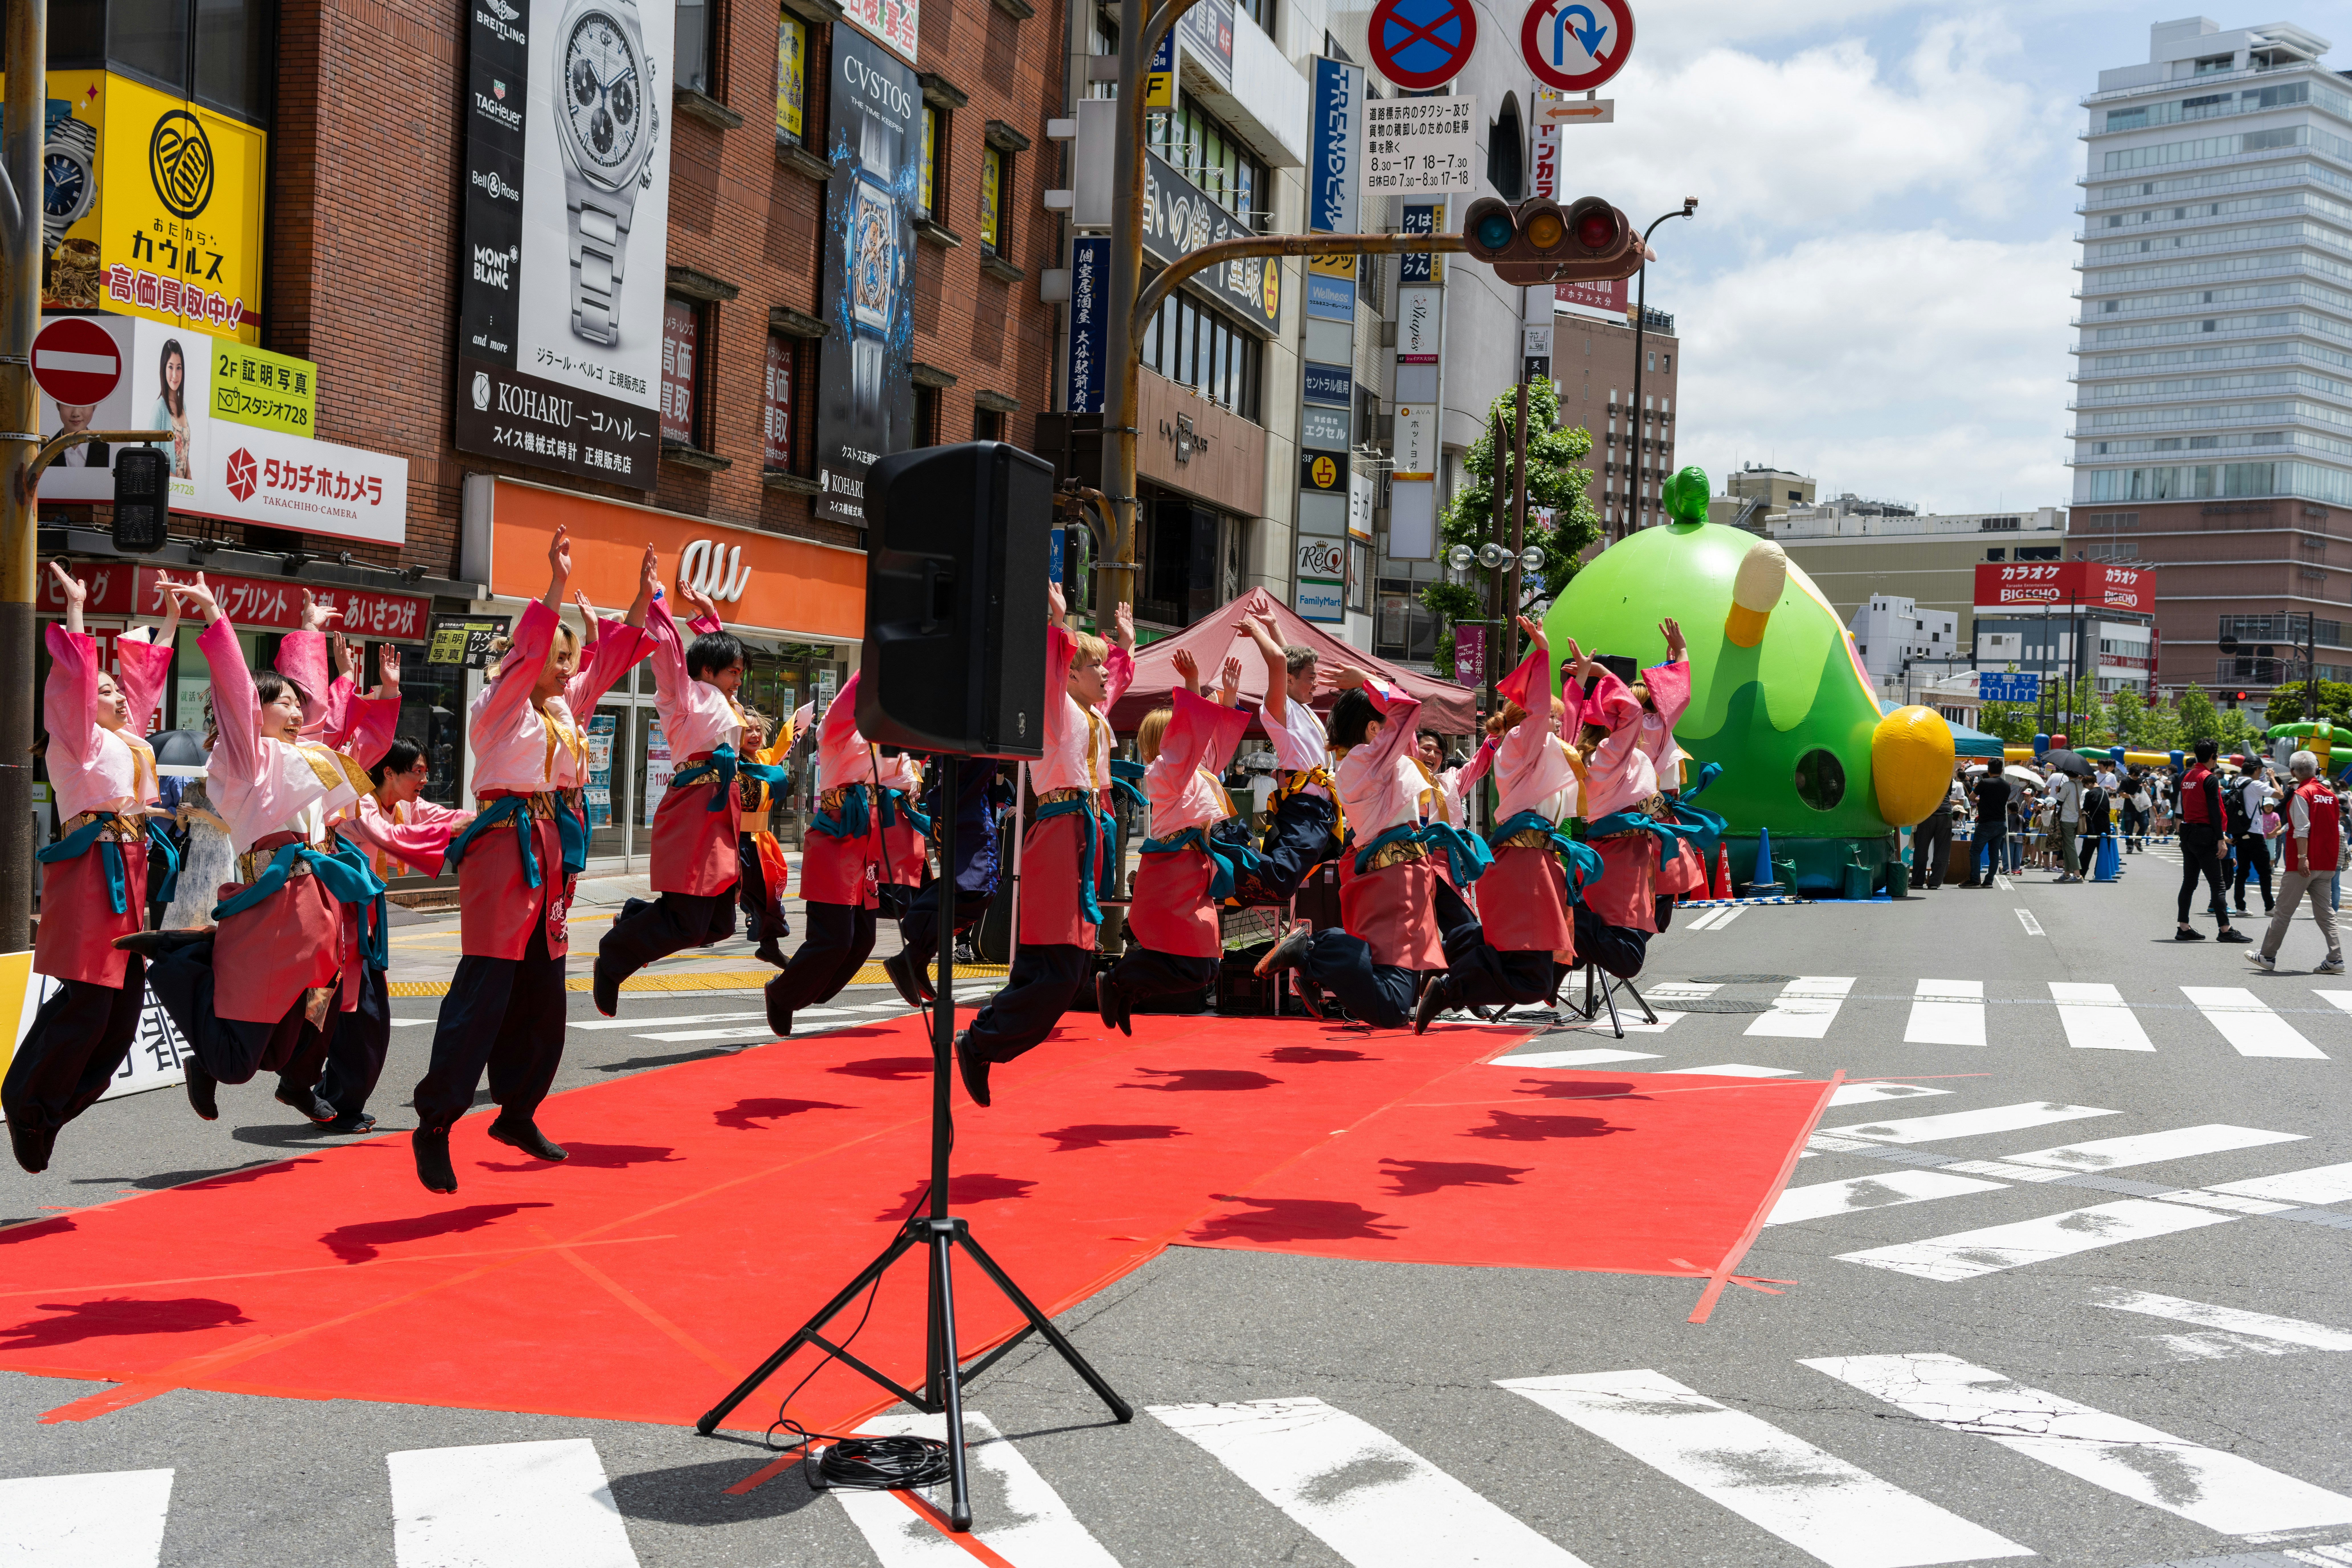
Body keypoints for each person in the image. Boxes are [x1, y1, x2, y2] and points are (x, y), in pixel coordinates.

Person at [411, 534, 656, 1193]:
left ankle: (517, 1112)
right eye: (559, 654)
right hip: (503, 846)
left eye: (570, 656)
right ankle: (436, 1123)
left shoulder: (562, 708)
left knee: (545, 995)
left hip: (550, 850)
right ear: (529, 658)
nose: (570, 666)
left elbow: (610, 662)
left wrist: (640, 599)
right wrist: (555, 585)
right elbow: (527, 654)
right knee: (485, 989)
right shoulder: (498, 707)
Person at [125, 573, 394, 1128]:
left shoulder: (304, 755)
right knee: (238, 1062)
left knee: (303, 1028)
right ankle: (182, 962)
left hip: (316, 899)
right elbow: (238, 695)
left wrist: (316, 639)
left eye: (298, 704)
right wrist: (215, 616)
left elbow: (324, 717)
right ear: (257, 712)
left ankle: (294, 1082)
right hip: (272, 901)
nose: (298, 713)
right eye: (285, 704)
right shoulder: (248, 759)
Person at [4, 565, 177, 1173]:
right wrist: (76, 610)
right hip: (92, 870)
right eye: (106, 690)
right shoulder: (76, 741)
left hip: (130, 873)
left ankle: (44, 1113)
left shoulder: (127, 743)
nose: (119, 696)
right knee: (89, 1006)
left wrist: (172, 619)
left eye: (116, 689)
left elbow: (145, 685)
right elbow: (76, 685)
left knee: (120, 1020)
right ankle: (27, 1102)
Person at [954, 586, 1134, 1106]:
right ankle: (982, 1041)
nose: (1105, 674)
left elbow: (1111, 683)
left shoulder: (1090, 713)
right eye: (1094, 666)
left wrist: (1123, 646)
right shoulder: (1054, 709)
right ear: (1070, 675)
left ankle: (983, 1040)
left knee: (1063, 969)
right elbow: (1051, 669)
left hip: (1080, 834)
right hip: (1061, 834)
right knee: (1060, 970)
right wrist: (1057, 622)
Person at [1255, 663, 1484, 1030]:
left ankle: (1315, 959)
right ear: (1373, 728)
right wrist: (1367, 681)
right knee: (1392, 1006)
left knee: (1394, 1001)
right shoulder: (1370, 760)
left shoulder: (1362, 764)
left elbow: (1406, 722)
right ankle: (1315, 949)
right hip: (1395, 880)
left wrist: (1375, 685)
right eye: (1382, 722)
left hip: (1393, 876)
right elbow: (1408, 710)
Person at [594, 569, 768, 1013]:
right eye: (733, 673)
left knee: (719, 924)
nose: (739, 681)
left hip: (721, 810)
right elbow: (671, 652)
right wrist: (656, 596)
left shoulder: (723, 699)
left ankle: (636, 917)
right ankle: (613, 957)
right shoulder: (683, 695)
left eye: (740, 673)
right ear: (709, 672)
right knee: (689, 923)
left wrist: (710, 620)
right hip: (694, 807)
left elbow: (714, 655)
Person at [1411, 617, 1598, 1028]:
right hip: (1523, 863)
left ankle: (1456, 960)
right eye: (1549, 718)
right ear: (1529, 718)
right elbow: (1542, 716)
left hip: (1535, 862)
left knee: (1539, 968)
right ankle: (1452, 985)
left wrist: (1579, 680)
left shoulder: (1544, 754)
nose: (1557, 725)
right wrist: (1542, 654)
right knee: (1533, 977)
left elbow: (1569, 728)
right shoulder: (1520, 743)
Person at [322, 733, 473, 1133]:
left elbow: (435, 815)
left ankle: (332, 1098)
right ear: (389, 772)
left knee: (360, 1015)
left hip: (364, 921)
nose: (425, 780)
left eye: (426, 771)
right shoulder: (360, 806)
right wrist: (452, 829)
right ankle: (326, 1098)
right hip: (338, 918)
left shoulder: (402, 806)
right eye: (418, 772)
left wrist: (480, 818)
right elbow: (388, 838)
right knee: (357, 1015)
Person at [1095, 650, 1253, 1033]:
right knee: (1197, 967)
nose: (1196, 740)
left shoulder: (1194, 772)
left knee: (1206, 968)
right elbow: (1191, 739)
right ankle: (1119, 981)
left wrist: (1230, 697)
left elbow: (1217, 745)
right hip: (1173, 876)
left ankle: (1126, 987)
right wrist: (1192, 685)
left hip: (1188, 874)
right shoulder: (1164, 772)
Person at [763, 673, 898, 1033]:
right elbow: (845, 702)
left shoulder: (885, 736)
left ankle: (807, 991)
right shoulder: (838, 730)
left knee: (864, 939)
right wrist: (876, 663)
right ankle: (783, 993)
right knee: (834, 939)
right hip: (836, 838)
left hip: (866, 843)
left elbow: (905, 772)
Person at [1236, 612, 1339, 899]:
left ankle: (1244, 852)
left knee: (1302, 871)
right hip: (1303, 806)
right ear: (1290, 681)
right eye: (1312, 678)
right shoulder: (1279, 709)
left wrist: (1273, 625)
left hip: (1322, 808)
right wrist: (1256, 630)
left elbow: (1288, 659)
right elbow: (1280, 662)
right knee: (1283, 878)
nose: (1316, 683)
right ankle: (1234, 847)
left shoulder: (1300, 707)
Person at [2249, 750, 2343, 973]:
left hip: (2303, 863)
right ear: (2316, 770)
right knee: (2326, 913)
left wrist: (2302, 858)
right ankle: (2336, 959)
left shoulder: (2302, 794)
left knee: (2283, 911)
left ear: (2292, 772)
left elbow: (2302, 829)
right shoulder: (2330, 796)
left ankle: (2267, 955)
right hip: (2327, 863)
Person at [733, 707, 794, 969]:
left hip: (760, 842)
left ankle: (770, 948)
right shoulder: (729, 762)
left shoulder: (764, 759)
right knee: (709, 905)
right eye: (748, 730)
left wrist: (800, 721)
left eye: (758, 729)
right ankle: (637, 917)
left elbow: (786, 742)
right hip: (735, 841)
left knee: (767, 895)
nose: (755, 734)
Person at [2176, 738, 2251, 942]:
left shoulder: (2187, 776)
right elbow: (2214, 811)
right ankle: (2225, 930)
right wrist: (2221, 839)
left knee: (2189, 883)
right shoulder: (2209, 779)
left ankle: (2183, 927)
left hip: (2188, 833)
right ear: (2213, 756)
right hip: (2205, 834)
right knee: (2218, 885)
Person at [2232, 764, 2276, 915]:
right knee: (2265, 872)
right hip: (2254, 833)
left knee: (2242, 872)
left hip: (2240, 832)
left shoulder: (2236, 783)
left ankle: (2240, 907)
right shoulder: (2255, 784)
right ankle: (2270, 907)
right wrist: (2272, 778)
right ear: (2257, 769)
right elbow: (2280, 794)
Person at [1964, 763, 2012, 887]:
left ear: (1989, 771)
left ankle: (1975, 879)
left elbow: (1972, 798)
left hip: (1986, 823)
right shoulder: (2007, 785)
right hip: (2001, 823)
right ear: (2002, 771)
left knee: (1975, 851)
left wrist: (1980, 801)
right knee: (1994, 854)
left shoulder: (1985, 783)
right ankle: (1989, 881)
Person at [1913, 767, 1958, 890]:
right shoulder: (1946, 773)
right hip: (1945, 812)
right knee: (1943, 849)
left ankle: (1918, 881)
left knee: (1921, 848)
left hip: (1927, 813)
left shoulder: (1922, 772)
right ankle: (1935, 882)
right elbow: (1948, 792)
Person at [152, 338, 191, 477]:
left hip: (183, 487)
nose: (175, 375)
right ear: (164, 369)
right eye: (171, 367)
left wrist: (189, 475)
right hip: (168, 485)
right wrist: (173, 479)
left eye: (179, 368)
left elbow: (183, 450)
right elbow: (153, 457)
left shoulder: (183, 406)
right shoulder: (160, 408)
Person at [2051, 764, 2085, 882]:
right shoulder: (2079, 784)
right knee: (2066, 847)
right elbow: (2072, 796)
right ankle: (2066, 874)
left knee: (2070, 847)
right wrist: (2061, 790)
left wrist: (2059, 791)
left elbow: (2060, 802)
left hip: (2067, 819)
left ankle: (2077, 875)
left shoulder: (2067, 785)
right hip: (2076, 818)